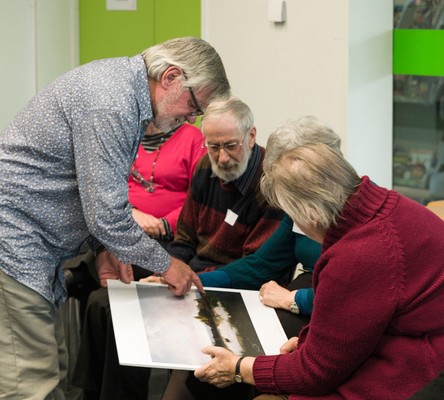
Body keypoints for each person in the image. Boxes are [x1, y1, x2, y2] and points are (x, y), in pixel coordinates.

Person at [0, 36, 229, 399]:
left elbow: (90, 190)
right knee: (30, 385)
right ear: (171, 77)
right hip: (16, 246)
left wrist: (105, 245)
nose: (191, 118)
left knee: (47, 372)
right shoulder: (112, 103)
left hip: (32, 246)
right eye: (193, 105)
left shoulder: (121, 90)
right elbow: (107, 214)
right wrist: (168, 265)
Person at [194, 141, 444, 399]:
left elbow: (313, 373)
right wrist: (308, 343)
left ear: (311, 214)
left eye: (293, 216)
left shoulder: (358, 254)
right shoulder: (383, 205)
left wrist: (238, 368)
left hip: (418, 368)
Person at [73, 96, 284, 400]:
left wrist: (189, 279)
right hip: (192, 276)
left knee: (123, 310)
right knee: (103, 302)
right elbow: (184, 239)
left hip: (231, 290)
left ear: (251, 135)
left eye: (230, 146)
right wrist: (166, 272)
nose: (222, 158)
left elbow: (254, 269)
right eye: (213, 147)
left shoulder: (268, 186)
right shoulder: (205, 168)